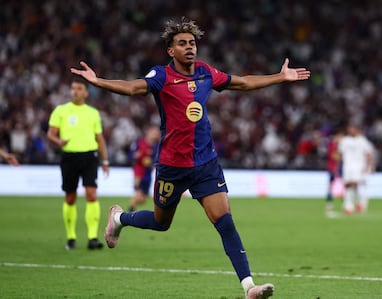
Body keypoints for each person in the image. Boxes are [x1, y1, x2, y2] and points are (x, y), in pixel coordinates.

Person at [71, 17, 310, 299]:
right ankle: (121, 218)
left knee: (225, 222)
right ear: (171, 50)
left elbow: (243, 83)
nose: (189, 47)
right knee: (161, 223)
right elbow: (133, 88)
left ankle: (249, 287)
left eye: (193, 43)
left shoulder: (206, 73)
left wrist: (280, 77)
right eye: (182, 43)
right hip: (172, 165)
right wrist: (97, 81)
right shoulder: (161, 76)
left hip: (205, 164)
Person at [47, 77, 110, 250]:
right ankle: (71, 237)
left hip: (89, 157)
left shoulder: (93, 113)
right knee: (70, 197)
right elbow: (51, 133)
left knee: (91, 194)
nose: (75, 91)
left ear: (86, 93)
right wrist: (57, 141)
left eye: (79, 88)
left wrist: (105, 161)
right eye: (73, 88)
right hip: (69, 157)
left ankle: (92, 238)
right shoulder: (61, 110)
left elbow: (100, 138)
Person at [338, 123, 375, 215]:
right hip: (347, 166)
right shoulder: (345, 140)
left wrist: (370, 166)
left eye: (352, 128)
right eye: (349, 128)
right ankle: (349, 206)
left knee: (355, 185)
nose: (350, 130)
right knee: (347, 185)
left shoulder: (362, 141)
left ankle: (360, 202)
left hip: (359, 166)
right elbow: (340, 153)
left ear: (356, 130)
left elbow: (369, 154)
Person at [128, 125, 160, 211]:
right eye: (153, 132)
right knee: (138, 193)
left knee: (143, 199)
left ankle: (131, 208)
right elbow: (131, 154)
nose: (155, 134)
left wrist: (154, 164)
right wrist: (136, 155)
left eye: (156, 132)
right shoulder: (139, 143)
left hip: (148, 174)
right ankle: (130, 213)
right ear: (148, 132)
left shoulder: (157, 146)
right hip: (139, 172)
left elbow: (156, 158)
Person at [325, 128, 343, 216]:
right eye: (340, 137)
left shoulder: (341, 145)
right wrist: (341, 156)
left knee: (343, 187)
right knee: (331, 186)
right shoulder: (332, 144)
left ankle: (345, 205)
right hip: (333, 168)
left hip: (341, 168)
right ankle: (329, 204)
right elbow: (333, 156)